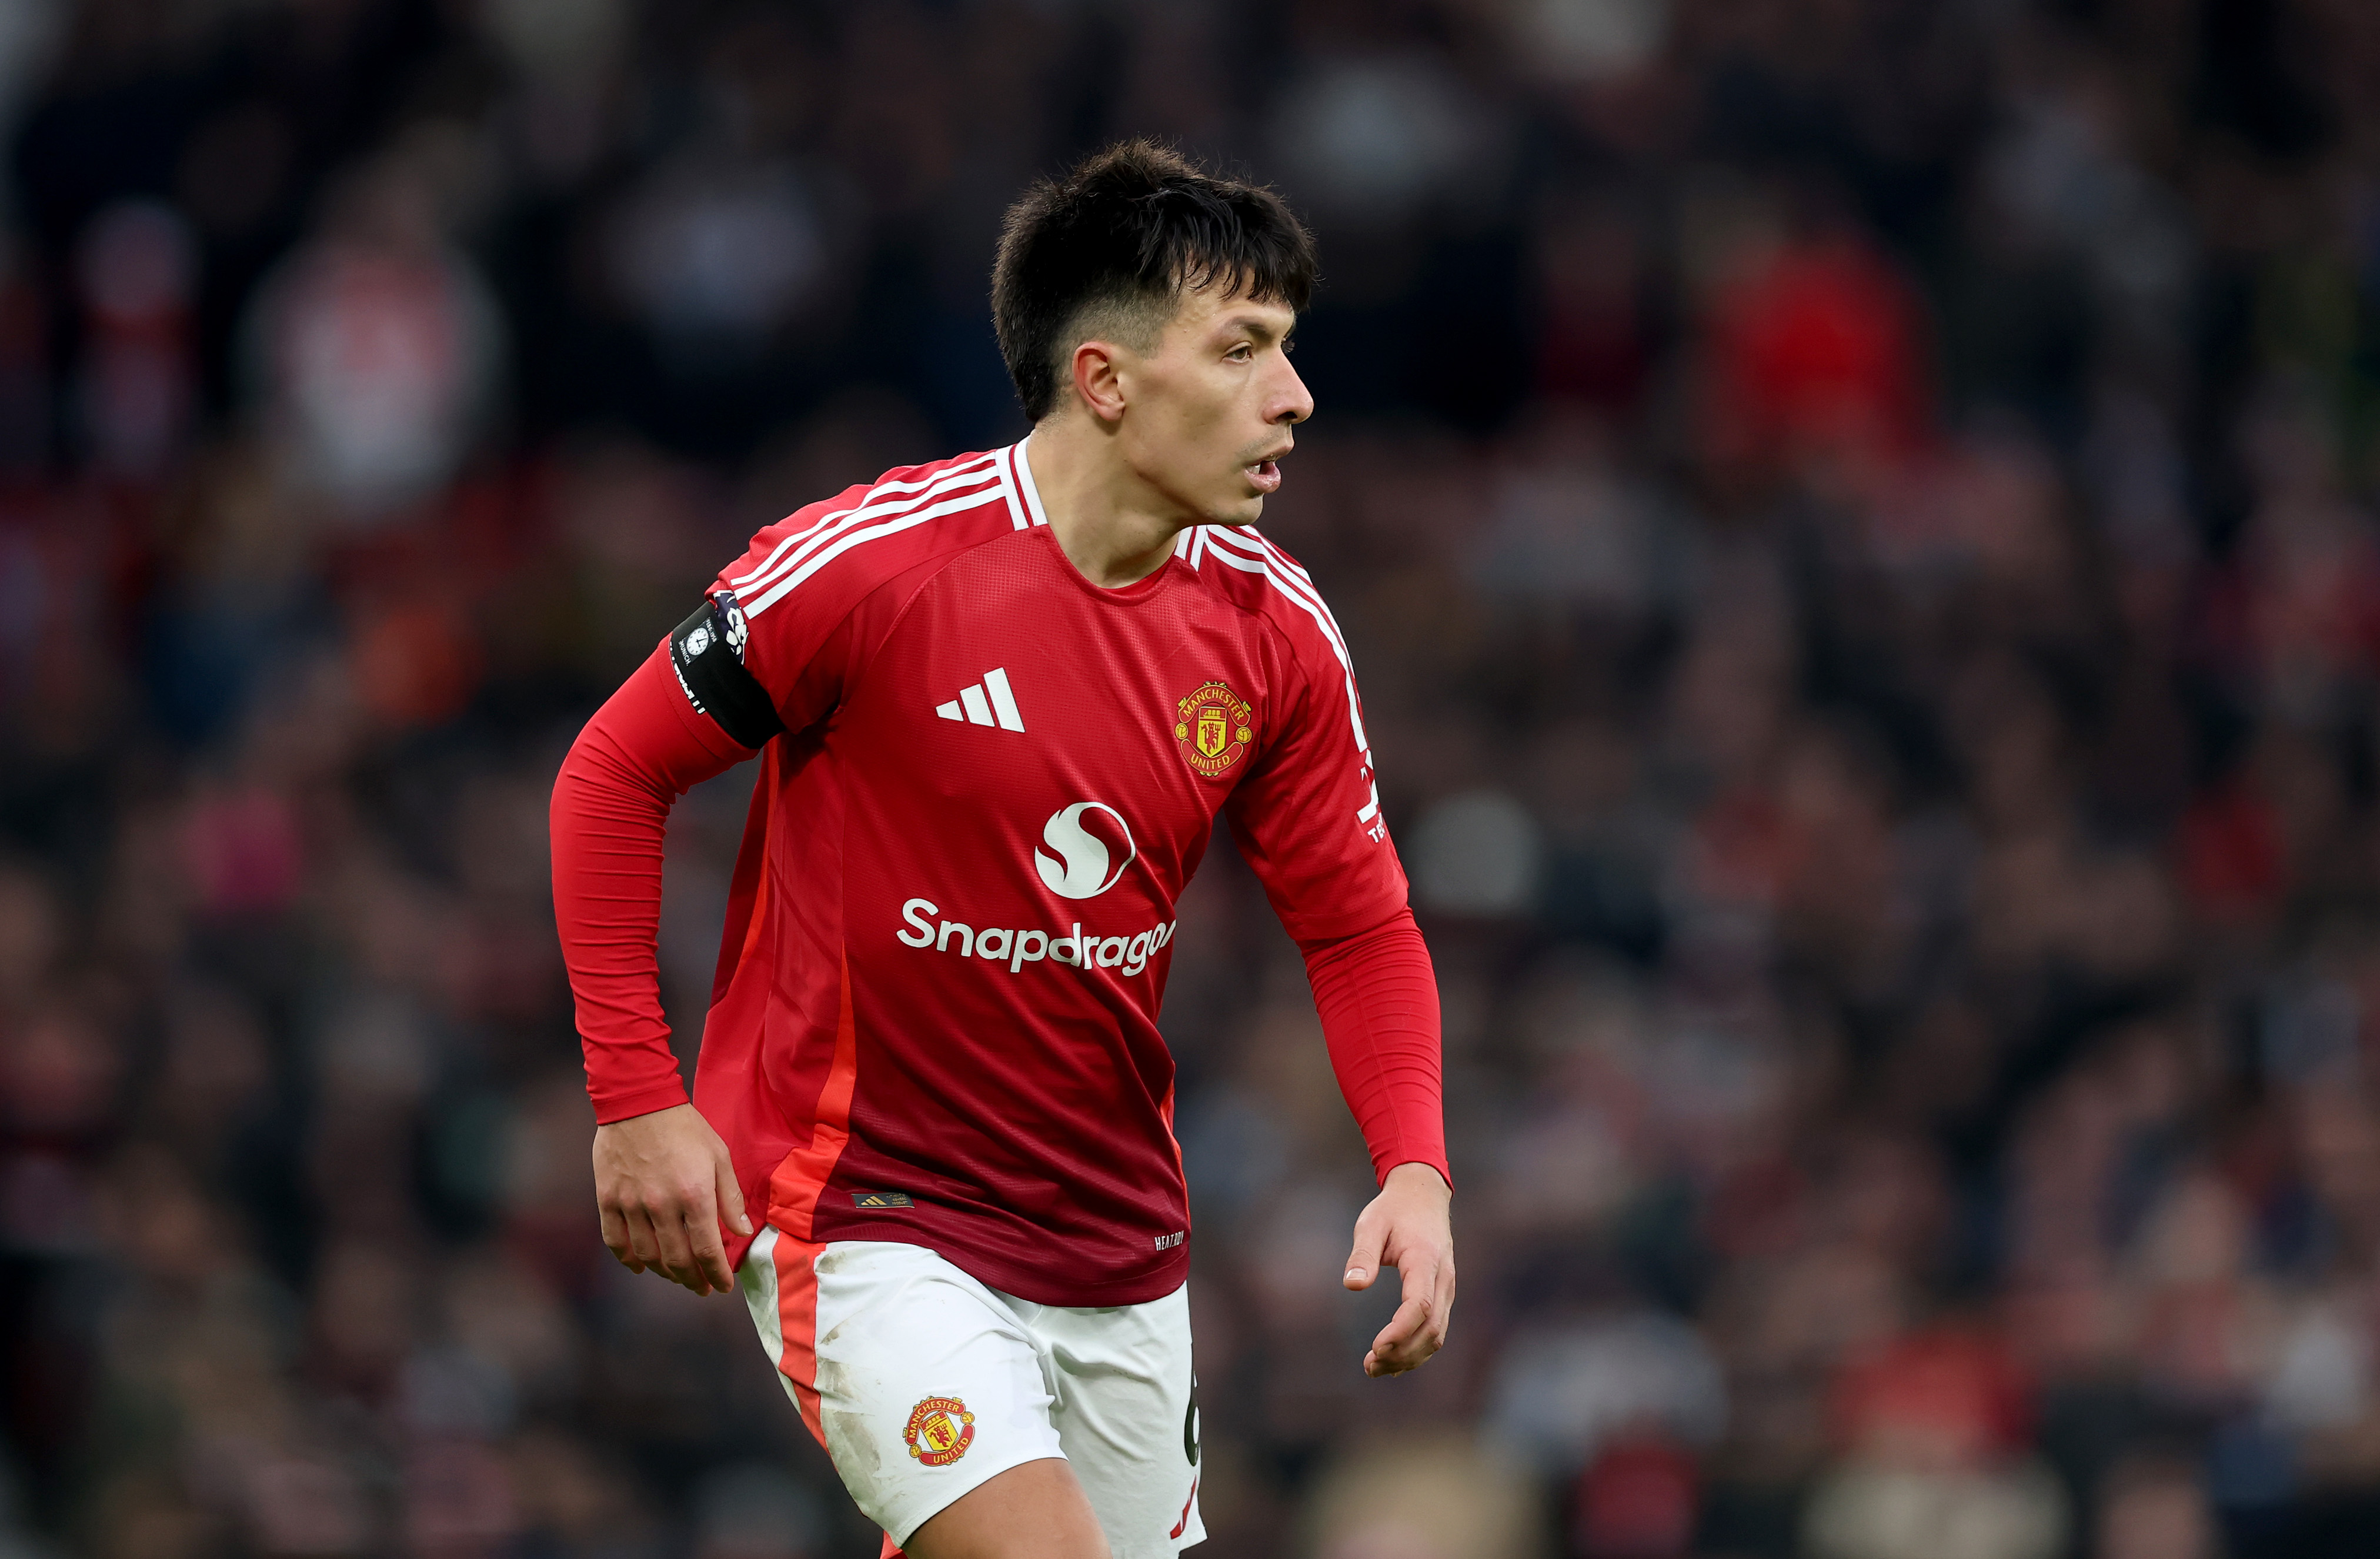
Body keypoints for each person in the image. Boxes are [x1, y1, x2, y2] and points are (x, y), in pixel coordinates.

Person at [549, 140, 1453, 1559]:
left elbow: (1356, 927)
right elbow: (612, 773)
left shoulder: (1275, 630)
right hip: (864, 1210)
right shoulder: (871, 567)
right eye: (1241, 350)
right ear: (1103, 380)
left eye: (1285, 349)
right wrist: (634, 1100)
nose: (1292, 394)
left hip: (1116, 1243)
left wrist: (1414, 1169)